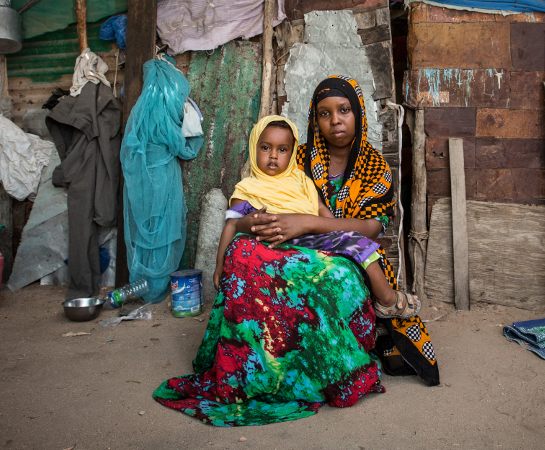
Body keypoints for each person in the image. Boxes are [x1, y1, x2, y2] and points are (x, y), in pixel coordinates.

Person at [153, 76, 439, 427]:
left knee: (334, 277)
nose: (335, 120)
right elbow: (248, 211)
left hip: (346, 252)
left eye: (344, 110)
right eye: (324, 113)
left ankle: (332, 360)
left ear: (358, 114)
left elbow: (370, 228)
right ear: (313, 120)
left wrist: (306, 223)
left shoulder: (374, 166)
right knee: (247, 256)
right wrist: (256, 224)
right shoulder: (296, 157)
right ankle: (266, 367)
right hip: (287, 247)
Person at [214, 115, 420, 319]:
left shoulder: (301, 181)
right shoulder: (247, 188)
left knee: (359, 243)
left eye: (282, 149)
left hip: (308, 236)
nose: (274, 156)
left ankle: (387, 301)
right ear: (254, 148)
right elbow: (232, 225)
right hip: (273, 244)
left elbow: (322, 211)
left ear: (292, 152)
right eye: (266, 148)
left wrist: (341, 234)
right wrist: (220, 265)